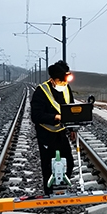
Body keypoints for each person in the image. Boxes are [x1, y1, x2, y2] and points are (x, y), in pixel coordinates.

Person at [30, 60, 75, 195]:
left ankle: (62, 188)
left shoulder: (66, 89)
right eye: (60, 81)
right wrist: (56, 117)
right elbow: (36, 116)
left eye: (64, 81)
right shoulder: (41, 91)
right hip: (46, 133)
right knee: (48, 165)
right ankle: (49, 192)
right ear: (53, 79)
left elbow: (71, 108)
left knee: (69, 162)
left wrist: (72, 129)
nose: (63, 84)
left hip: (61, 133)